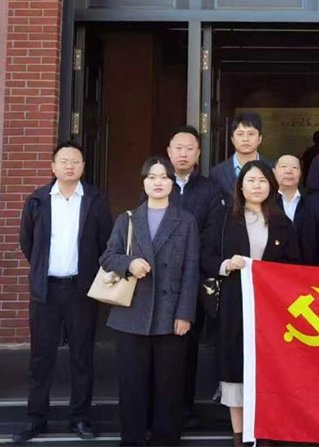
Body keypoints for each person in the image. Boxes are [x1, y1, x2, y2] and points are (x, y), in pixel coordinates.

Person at [13, 141, 113, 444]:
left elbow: (106, 242)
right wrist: (41, 268)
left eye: (75, 161)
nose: (70, 166)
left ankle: (80, 417)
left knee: (82, 356)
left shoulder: (95, 201)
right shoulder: (38, 200)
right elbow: (27, 242)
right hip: (46, 290)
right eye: (64, 161)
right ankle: (36, 417)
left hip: (81, 290)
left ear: (83, 166)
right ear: (53, 167)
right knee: (41, 357)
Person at [100, 156, 200, 447]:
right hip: (132, 314)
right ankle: (132, 440)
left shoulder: (186, 221)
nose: (158, 182)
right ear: (143, 183)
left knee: (169, 386)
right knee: (132, 384)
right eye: (152, 177)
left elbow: (191, 270)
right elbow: (107, 256)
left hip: (171, 315)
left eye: (164, 177)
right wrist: (129, 263)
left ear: (172, 183)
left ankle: (165, 440)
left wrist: (185, 313)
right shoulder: (128, 219)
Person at [202, 160, 300, 447]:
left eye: (263, 181)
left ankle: (265, 432)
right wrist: (226, 264)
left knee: (268, 367)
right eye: (251, 180)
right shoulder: (224, 217)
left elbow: (295, 264)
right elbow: (205, 256)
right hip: (234, 303)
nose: (257, 186)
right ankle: (240, 437)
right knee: (235, 365)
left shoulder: (282, 223)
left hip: (272, 308)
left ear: (271, 186)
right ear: (240, 186)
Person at [166, 125, 225, 422]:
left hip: (195, 277)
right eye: (178, 148)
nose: (184, 153)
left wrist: (189, 261)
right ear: (169, 152)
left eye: (190, 149)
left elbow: (213, 233)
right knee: (161, 344)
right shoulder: (158, 183)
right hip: (162, 279)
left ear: (198, 154)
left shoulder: (211, 189)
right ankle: (160, 407)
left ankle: (185, 406)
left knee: (188, 344)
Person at [209, 112, 264, 198]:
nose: (245, 139)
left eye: (251, 134)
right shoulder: (217, 173)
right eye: (240, 134)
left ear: (260, 138)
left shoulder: (272, 169)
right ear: (232, 139)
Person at [273, 153, 304, 224]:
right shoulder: (266, 201)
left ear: (300, 173)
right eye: (283, 166)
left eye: (294, 167)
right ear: (274, 172)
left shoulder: (311, 202)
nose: (288, 171)